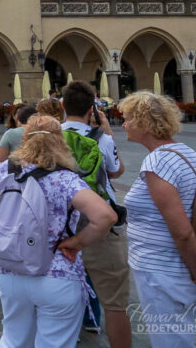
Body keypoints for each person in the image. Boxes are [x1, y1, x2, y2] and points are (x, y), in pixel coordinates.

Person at [0, 114, 117, 347]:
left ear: (25, 139)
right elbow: (105, 216)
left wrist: (3, 229)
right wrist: (77, 243)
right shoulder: (64, 178)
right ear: (59, 141)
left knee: (13, 338)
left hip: (11, 269)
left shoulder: (7, 170)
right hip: (56, 273)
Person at [119, 91, 196, 346]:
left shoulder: (157, 162)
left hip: (164, 271)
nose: (123, 124)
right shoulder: (187, 153)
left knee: (170, 342)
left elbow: (182, 231)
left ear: (144, 123)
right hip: (182, 269)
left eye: (127, 119)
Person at [60, 80, 131, 348]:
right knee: (115, 302)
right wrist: (107, 132)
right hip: (99, 219)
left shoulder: (47, 137)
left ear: (62, 106)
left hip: (61, 221)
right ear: (93, 108)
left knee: (59, 295)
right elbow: (116, 171)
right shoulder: (102, 138)